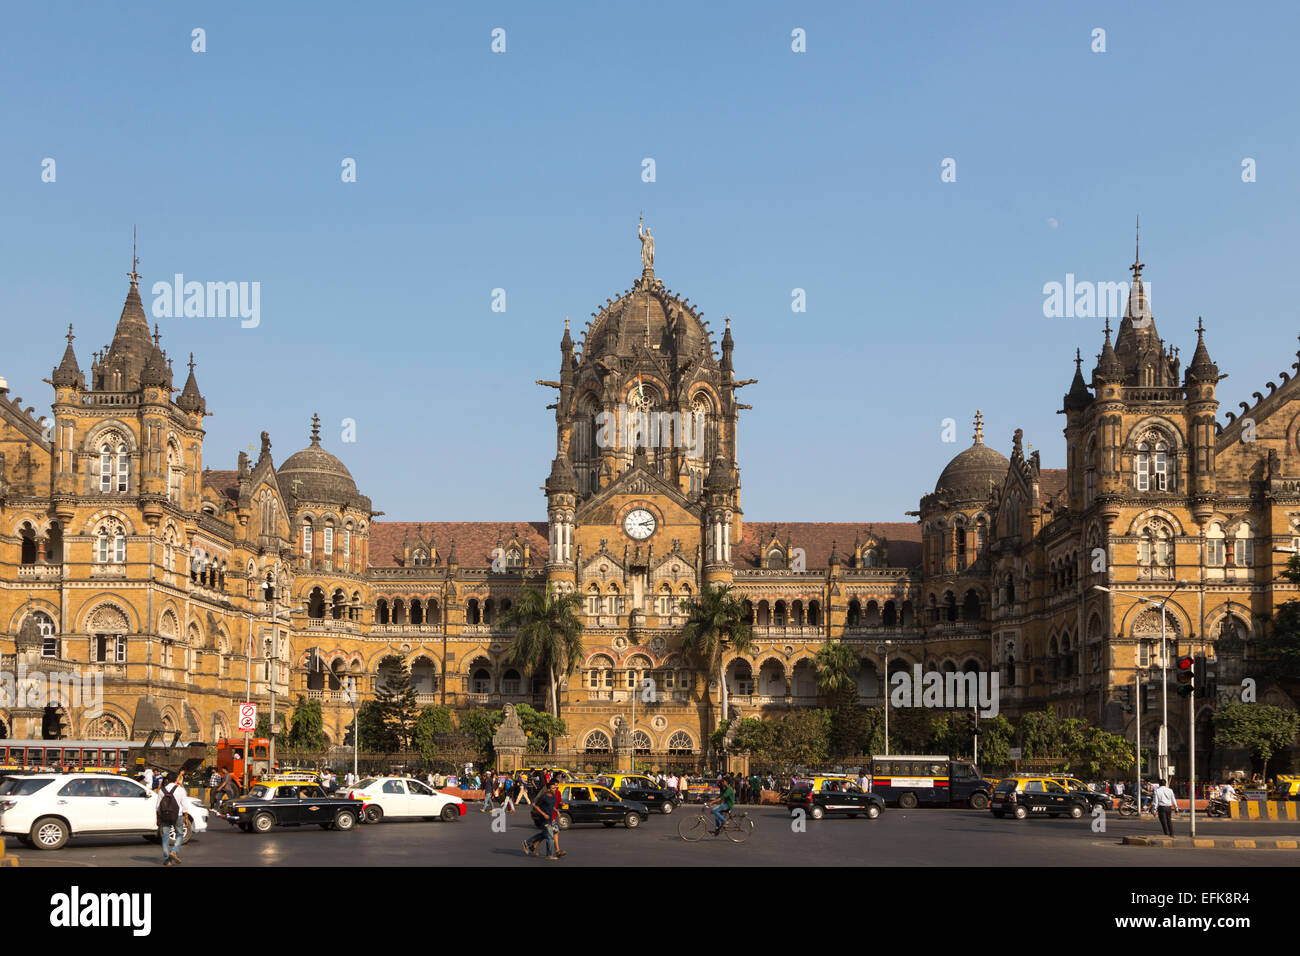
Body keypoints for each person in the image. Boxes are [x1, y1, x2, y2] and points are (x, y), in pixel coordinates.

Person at [156, 771, 192, 866]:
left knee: (165, 836)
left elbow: (158, 807)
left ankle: (167, 859)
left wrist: (157, 819)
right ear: (176, 779)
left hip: (164, 816)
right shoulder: (180, 790)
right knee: (180, 834)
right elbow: (185, 806)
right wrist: (186, 818)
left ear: (167, 780)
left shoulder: (162, 790)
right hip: (178, 815)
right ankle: (174, 852)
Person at [524, 779, 560, 860]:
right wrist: (544, 814)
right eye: (553, 788)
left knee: (544, 834)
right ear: (549, 789)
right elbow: (536, 806)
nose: (555, 789)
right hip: (543, 819)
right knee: (550, 837)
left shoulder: (553, 796)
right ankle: (549, 855)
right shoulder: (544, 796)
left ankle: (528, 842)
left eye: (556, 788)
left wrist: (556, 810)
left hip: (550, 819)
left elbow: (550, 806)